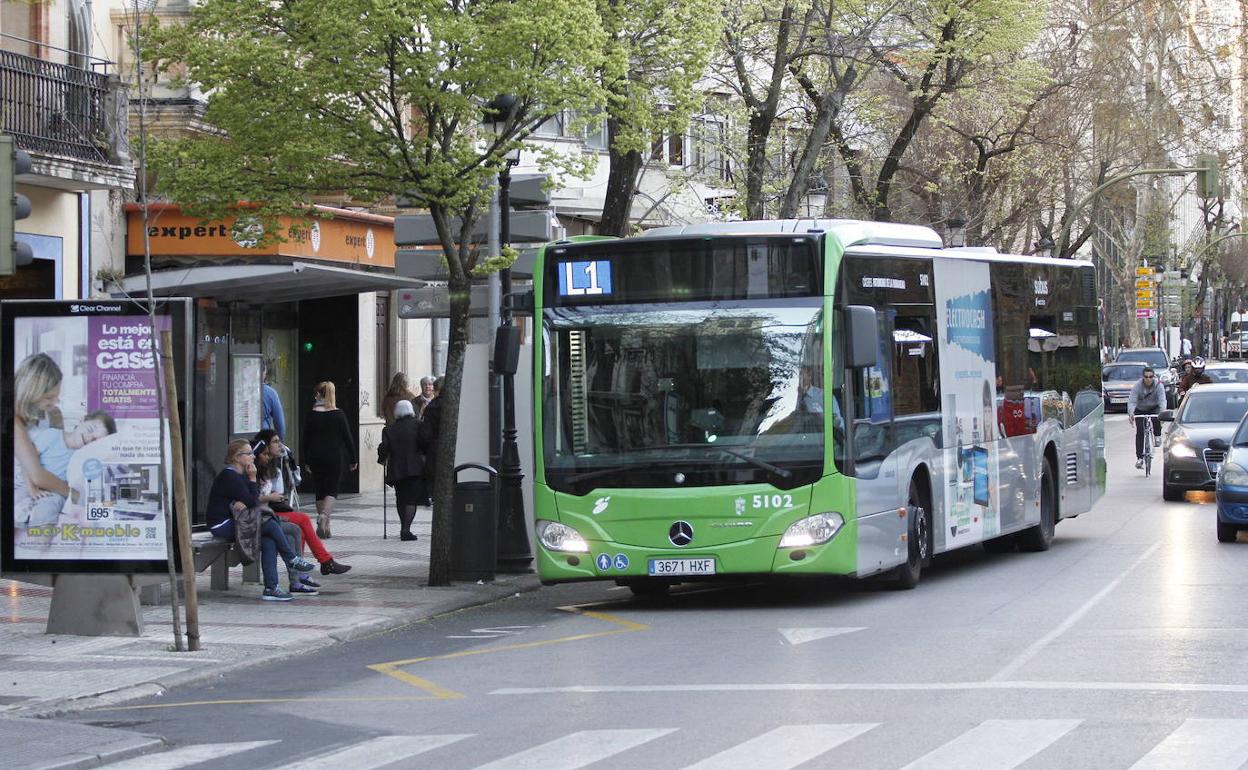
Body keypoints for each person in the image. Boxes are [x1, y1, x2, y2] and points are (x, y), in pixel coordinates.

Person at [206, 439, 317, 601]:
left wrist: (248, 492)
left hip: (237, 521)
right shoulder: (229, 476)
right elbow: (254, 502)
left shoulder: (239, 475)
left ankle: (271, 587)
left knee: (268, 539)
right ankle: (291, 558)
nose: (252, 456)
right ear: (237, 457)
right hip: (221, 525)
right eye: (248, 453)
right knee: (269, 523)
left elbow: (252, 502)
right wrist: (252, 478)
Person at [253, 430, 351, 589]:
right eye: (275, 442)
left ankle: (303, 573)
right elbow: (255, 497)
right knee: (303, 519)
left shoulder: (274, 466)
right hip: (265, 514)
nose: (279, 445)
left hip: (270, 511)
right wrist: (271, 497)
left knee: (300, 527)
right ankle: (325, 561)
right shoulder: (256, 469)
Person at [14, 410, 117, 527]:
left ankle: (36, 538)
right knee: (17, 497)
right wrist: (31, 488)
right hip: (29, 482)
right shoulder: (52, 435)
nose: (89, 438)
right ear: (82, 420)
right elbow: (26, 460)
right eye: (90, 430)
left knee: (48, 511)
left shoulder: (84, 458)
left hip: (54, 493)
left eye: (95, 441)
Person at [302, 381, 357, 538]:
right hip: (334, 456)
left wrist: (306, 460)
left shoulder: (312, 414)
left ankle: (325, 526)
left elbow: (305, 439)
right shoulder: (339, 414)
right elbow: (348, 438)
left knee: (320, 489)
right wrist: (353, 459)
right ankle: (324, 516)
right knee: (332, 489)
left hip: (315, 456)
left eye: (316, 393)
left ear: (319, 394)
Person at [377, 399, 424, 540]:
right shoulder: (418, 426)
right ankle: (406, 529)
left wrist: (381, 457)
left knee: (401, 498)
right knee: (411, 500)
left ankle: (404, 527)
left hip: (397, 468)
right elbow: (425, 442)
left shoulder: (389, 429)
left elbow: (384, 448)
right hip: (415, 467)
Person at [1127, 366, 1166, 469]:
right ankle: (1139, 458)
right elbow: (1132, 401)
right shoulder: (1137, 386)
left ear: (1154, 376)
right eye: (1146, 377)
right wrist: (1131, 413)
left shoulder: (1159, 385)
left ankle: (1157, 435)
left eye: (1150, 376)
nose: (1148, 379)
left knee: (1156, 418)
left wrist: (1163, 413)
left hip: (1154, 408)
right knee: (1140, 431)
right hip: (1140, 409)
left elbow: (1162, 400)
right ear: (1142, 377)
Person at [416, 377, 443, 507]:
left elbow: (425, 434)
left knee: (433, 475)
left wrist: (425, 448)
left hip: (434, 448)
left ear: (436, 390)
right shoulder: (455, 404)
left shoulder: (432, 407)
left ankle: (433, 497)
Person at [261, 359, 287, 438]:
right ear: (263, 373)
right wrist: (280, 442)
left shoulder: (238, 390)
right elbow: (280, 424)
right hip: (263, 439)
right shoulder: (270, 393)